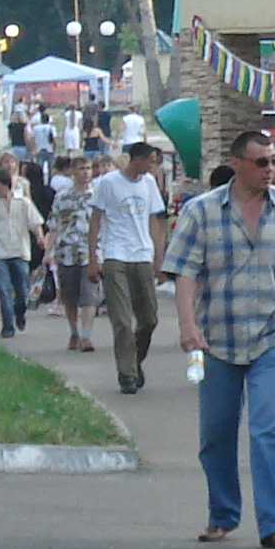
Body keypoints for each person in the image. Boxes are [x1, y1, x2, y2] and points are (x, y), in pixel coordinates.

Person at [169, 128, 275, 549]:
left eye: (274, 161)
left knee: (267, 429)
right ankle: (222, 514)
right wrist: (187, 326)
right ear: (237, 164)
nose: (270, 170)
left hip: (273, 338)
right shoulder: (201, 212)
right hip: (216, 338)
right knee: (217, 433)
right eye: (261, 162)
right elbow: (183, 271)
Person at [91, 138, 170, 392]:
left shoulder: (149, 184)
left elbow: (156, 220)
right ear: (136, 159)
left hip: (142, 255)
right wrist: (93, 257)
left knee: (148, 318)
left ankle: (134, 361)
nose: (153, 165)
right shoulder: (108, 183)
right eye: (150, 160)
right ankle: (126, 375)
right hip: (115, 254)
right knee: (122, 319)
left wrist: (160, 257)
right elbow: (95, 219)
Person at [0, 164, 45, 337]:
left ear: (2, 184)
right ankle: (7, 325)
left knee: (22, 288)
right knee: (3, 288)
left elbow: (35, 222)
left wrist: (39, 237)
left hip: (19, 250)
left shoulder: (23, 202)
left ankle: (20, 311)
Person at [50, 151, 102, 351]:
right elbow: (54, 225)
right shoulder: (62, 197)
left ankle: (86, 336)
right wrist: (48, 251)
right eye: (81, 169)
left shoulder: (98, 196)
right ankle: (74, 331)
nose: (85, 173)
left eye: (88, 169)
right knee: (70, 297)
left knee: (90, 295)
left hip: (91, 252)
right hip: (66, 251)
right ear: (73, 171)